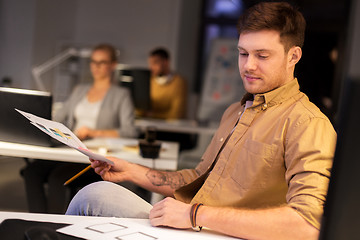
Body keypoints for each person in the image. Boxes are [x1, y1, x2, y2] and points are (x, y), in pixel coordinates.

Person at [65, 2, 337, 239]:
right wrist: (132, 171)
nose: (248, 65)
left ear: (294, 56)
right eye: (243, 53)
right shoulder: (236, 111)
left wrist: (194, 215)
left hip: (220, 232)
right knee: (96, 193)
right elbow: (197, 179)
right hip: (198, 226)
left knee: (92, 199)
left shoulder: (308, 123)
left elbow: (308, 224)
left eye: (262, 56)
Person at [22, 43, 137, 214]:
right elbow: (59, 119)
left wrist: (93, 133)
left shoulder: (120, 95)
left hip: (92, 158)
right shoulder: (79, 90)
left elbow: (130, 131)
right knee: (31, 172)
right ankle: (37, 225)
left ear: (113, 65)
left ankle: (54, 230)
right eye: (93, 62)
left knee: (57, 178)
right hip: (68, 149)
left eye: (102, 62)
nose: (96, 67)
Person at [141, 47, 187, 120]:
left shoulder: (179, 82)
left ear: (166, 62)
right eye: (150, 63)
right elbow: (140, 111)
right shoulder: (149, 81)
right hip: (148, 126)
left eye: (155, 63)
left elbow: (176, 114)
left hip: (170, 129)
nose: (151, 67)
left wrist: (152, 115)